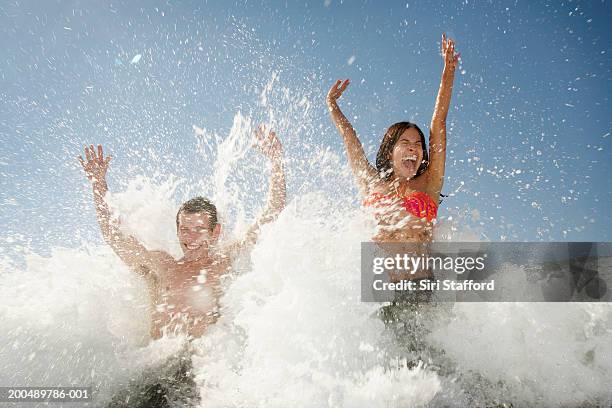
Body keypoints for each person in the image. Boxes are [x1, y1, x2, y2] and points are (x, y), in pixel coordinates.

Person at [78, 126, 286, 341]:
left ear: (215, 232)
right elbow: (116, 238)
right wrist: (99, 184)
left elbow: (270, 217)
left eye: (199, 230)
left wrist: (276, 163)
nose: (190, 238)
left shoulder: (224, 261)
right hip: (158, 367)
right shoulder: (162, 265)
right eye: (185, 230)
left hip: (203, 366)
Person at [326, 33, 459, 250]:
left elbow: (438, 124)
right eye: (405, 142)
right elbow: (349, 139)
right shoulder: (372, 184)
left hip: (421, 281)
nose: (413, 148)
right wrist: (332, 104)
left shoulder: (429, 184)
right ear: (390, 152)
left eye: (418, 144)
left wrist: (448, 73)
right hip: (375, 281)